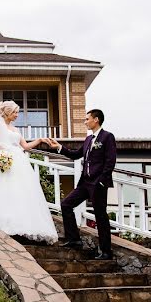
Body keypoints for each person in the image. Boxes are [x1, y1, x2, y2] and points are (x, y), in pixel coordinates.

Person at [0, 101, 58, 243]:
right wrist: (3, 157)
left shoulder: (16, 130)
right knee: (3, 191)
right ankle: (1, 223)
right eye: (15, 112)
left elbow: (25, 146)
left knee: (20, 192)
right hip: (6, 161)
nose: (17, 115)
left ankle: (20, 224)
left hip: (19, 162)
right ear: (7, 112)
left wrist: (39, 140)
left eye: (17, 112)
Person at [48, 109, 117, 260]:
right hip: (85, 182)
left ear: (96, 120)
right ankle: (74, 239)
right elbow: (75, 154)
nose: (85, 122)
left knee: (100, 216)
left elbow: (110, 161)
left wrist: (101, 180)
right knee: (66, 204)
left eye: (87, 119)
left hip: (98, 183)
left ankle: (106, 251)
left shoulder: (107, 137)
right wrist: (59, 147)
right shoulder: (88, 139)